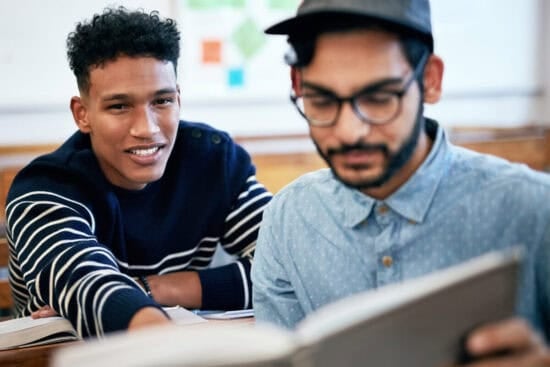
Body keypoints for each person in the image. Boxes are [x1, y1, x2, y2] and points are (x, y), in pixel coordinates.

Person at [252, 0, 550, 365]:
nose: (350, 132)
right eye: (322, 100)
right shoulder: (288, 220)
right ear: (298, 86)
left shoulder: (534, 209)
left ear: (430, 81)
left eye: (379, 98)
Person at [5, 7, 271, 337]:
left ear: (178, 99)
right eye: (119, 106)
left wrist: (154, 289)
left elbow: (286, 265)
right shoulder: (45, 189)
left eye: (161, 101)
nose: (146, 129)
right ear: (82, 114)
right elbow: (84, 282)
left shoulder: (214, 161)